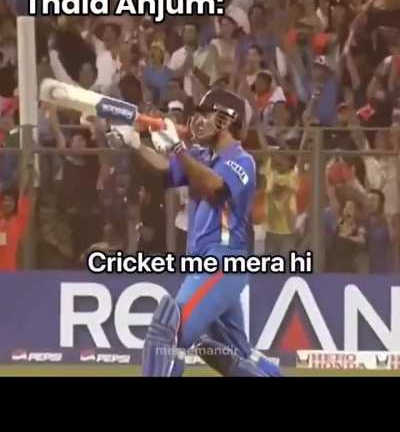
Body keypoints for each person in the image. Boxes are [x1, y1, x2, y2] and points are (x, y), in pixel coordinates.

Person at [107, 88, 280, 377]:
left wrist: (178, 148)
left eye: (206, 114)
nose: (197, 121)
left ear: (227, 120)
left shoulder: (242, 160)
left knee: (168, 330)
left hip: (223, 261)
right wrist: (136, 144)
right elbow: (164, 172)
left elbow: (214, 186)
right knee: (235, 353)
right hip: (207, 263)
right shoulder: (202, 156)